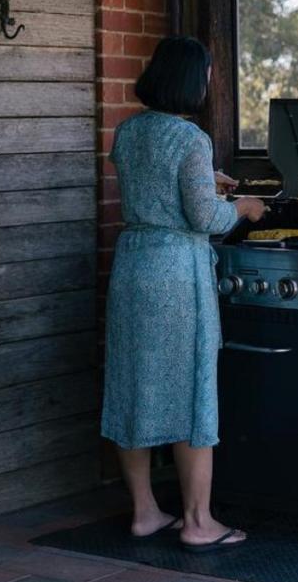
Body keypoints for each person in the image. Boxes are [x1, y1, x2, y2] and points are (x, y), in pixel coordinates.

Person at [101, 35, 265, 552]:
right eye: (210, 74)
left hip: (132, 267)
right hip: (176, 274)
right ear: (193, 80)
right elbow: (204, 217)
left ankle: (146, 513)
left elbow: (152, 185)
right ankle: (198, 522)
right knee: (193, 391)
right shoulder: (191, 139)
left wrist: (205, 178)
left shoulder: (127, 131)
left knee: (132, 384)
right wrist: (244, 209)